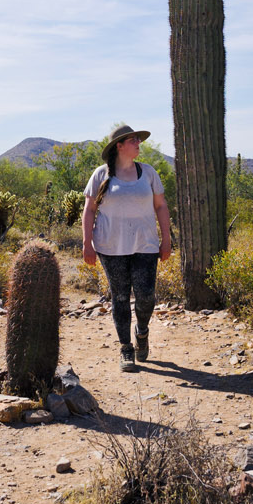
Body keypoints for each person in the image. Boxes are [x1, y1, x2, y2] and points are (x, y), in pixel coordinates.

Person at [82, 123, 172, 371]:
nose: (138, 143)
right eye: (133, 140)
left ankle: (141, 331)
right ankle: (126, 349)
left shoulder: (149, 172)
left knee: (146, 296)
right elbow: (89, 210)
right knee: (120, 297)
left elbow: (161, 206)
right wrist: (86, 243)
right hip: (110, 246)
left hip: (145, 244)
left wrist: (167, 238)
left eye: (138, 140)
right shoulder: (101, 175)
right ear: (119, 146)